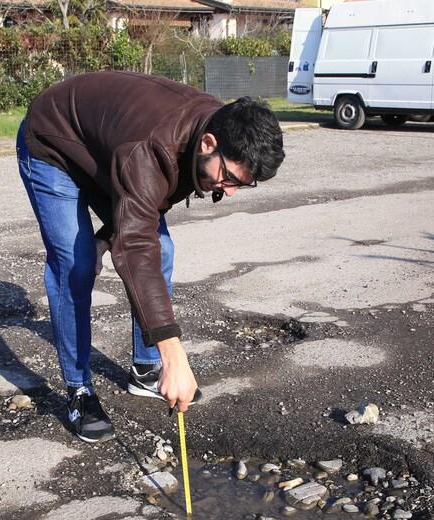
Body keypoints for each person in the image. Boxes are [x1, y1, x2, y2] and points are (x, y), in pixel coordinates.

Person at [16, 71, 285, 443]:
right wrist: (174, 353)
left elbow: (146, 204)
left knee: (164, 250)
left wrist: (106, 239)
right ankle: (79, 390)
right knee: (75, 266)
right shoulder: (151, 149)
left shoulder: (206, 137)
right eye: (229, 179)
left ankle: (145, 368)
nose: (232, 192)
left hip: (109, 151)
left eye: (241, 184)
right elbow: (138, 244)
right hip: (54, 145)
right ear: (209, 143)